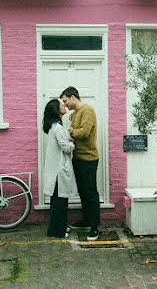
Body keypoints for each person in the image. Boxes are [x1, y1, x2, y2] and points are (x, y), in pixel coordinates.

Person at [60, 86, 100, 241]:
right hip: (78, 158)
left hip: (89, 158)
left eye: (65, 101)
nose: (65, 105)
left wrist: (71, 131)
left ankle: (95, 227)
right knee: (83, 192)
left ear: (73, 97)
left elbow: (84, 133)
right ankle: (87, 220)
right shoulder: (75, 114)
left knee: (90, 193)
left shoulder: (87, 110)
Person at [42, 99, 78, 238]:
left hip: (54, 170)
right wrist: (72, 142)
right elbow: (66, 148)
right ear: (57, 111)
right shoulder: (58, 128)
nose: (64, 106)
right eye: (61, 105)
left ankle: (58, 227)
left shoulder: (53, 127)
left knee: (56, 201)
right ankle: (58, 231)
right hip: (59, 170)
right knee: (60, 202)